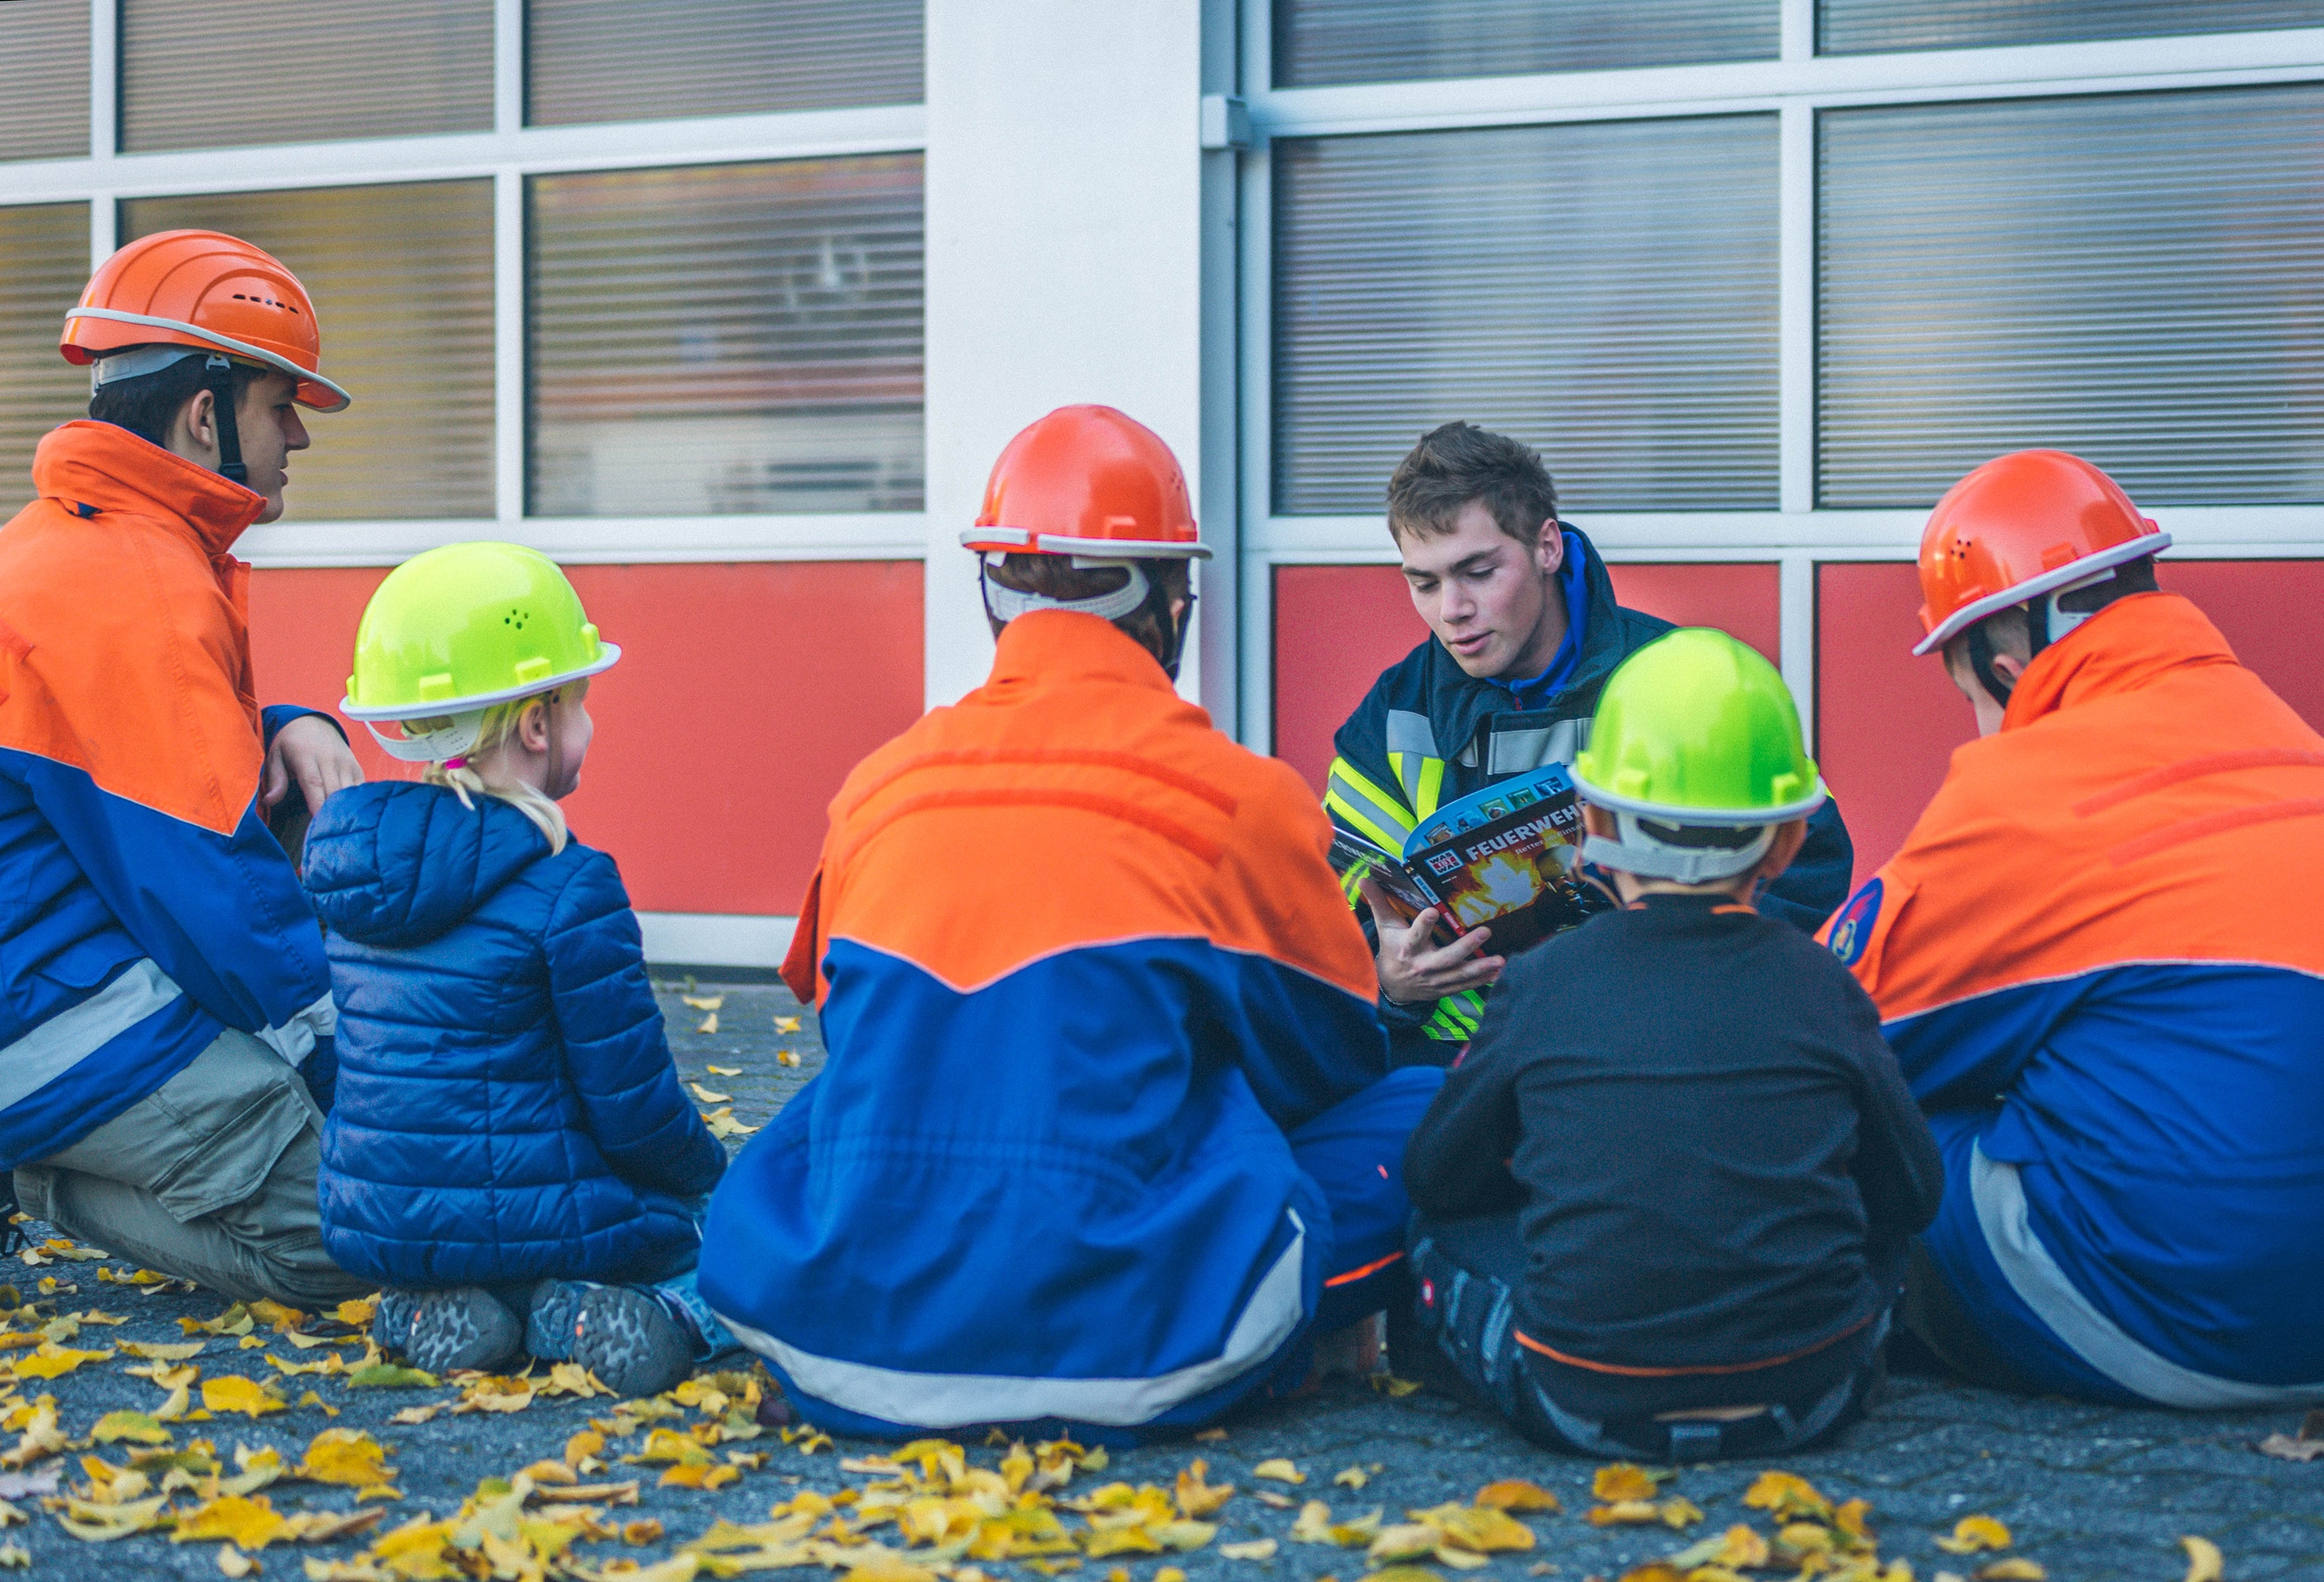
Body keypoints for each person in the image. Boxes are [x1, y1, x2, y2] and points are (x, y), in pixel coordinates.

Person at [699, 405, 1443, 1440]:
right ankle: (1291, 1345)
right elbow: (1327, 1066)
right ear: (1172, 602)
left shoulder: (876, 788)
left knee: (833, 1112)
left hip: (843, 1343)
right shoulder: (1239, 800)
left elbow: (851, 1028)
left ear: (993, 592)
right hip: (1136, 1346)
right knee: (1430, 1105)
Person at [1822, 448, 2324, 1408]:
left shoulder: (2020, 796)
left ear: (2004, 668)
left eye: (1969, 697)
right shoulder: (2289, 743)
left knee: (1876, 1132)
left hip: (2189, 1319)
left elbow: (1815, 1032)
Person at [1402, 629, 1941, 1460]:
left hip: (1580, 1399)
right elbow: (1912, 1192)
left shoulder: (1541, 980)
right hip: (1807, 1397)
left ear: (1590, 824)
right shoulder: (1824, 981)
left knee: (1429, 1231)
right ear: (1789, 839)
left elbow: (1438, 1176)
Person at [1, 230, 371, 1305]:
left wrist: (289, 723)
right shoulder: (137, 585)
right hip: (54, 1015)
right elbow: (220, 893)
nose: (298, 434)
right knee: (366, 1231)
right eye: (279, 404)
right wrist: (359, 1079)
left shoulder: (72, 541)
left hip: (45, 972)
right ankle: (36, 1174)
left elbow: (133, 769)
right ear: (205, 416)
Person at [303, 542, 730, 1394]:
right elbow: (633, 1108)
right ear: (537, 725)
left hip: (383, 1219)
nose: (588, 724)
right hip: (549, 1216)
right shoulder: (572, 883)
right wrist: (708, 1176)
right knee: (740, 1240)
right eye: (580, 702)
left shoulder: (356, 877)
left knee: (487, 1213)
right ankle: (653, 1312)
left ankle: (440, 1309)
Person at [1328, 422, 1855, 1065]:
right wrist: (1390, 981)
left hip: (1658, 1056)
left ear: (1547, 547)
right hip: (1456, 1067)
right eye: (1425, 584)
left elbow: (1806, 861)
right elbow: (1338, 900)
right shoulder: (1394, 712)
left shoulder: (1681, 680)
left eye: (1479, 572)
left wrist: (1677, 975)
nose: (1452, 610)